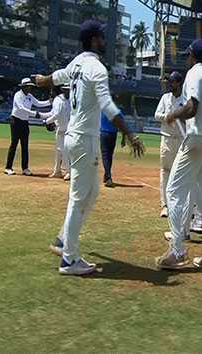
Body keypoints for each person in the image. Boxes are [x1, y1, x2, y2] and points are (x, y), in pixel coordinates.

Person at [34, 19, 144, 276]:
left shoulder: (76, 64)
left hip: (77, 138)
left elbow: (57, 76)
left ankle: (64, 239)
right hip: (84, 140)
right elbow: (107, 105)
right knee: (78, 197)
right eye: (102, 37)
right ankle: (69, 260)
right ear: (94, 40)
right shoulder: (96, 67)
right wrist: (130, 134)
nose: (105, 41)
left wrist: (41, 80)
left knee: (91, 193)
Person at [155, 38, 202, 272]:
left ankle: (177, 250)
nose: (187, 59)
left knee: (173, 190)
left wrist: (174, 114)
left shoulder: (194, 73)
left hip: (197, 138)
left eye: (187, 55)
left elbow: (192, 107)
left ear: (193, 55)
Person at [4, 77, 51, 176]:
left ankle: (25, 168)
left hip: (25, 122)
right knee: (14, 144)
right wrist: (35, 114)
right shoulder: (18, 95)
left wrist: (50, 101)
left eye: (30, 87)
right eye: (28, 87)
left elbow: (38, 103)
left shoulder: (29, 96)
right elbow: (21, 108)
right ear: (23, 87)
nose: (29, 88)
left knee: (25, 145)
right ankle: (8, 167)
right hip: (16, 121)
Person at [154, 71, 185, 218]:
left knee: (181, 173)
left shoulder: (186, 100)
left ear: (178, 83)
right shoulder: (165, 98)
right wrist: (167, 117)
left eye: (171, 82)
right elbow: (156, 115)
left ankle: (182, 205)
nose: (169, 85)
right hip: (166, 139)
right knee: (165, 171)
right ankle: (165, 205)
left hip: (181, 141)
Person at [45, 85, 71, 180]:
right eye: (66, 90)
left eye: (69, 90)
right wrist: (44, 118)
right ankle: (57, 171)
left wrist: (47, 121)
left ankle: (68, 171)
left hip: (69, 129)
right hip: (61, 128)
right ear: (62, 90)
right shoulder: (58, 100)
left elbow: (56, 114)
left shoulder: (72, 100)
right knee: (59, 151)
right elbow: (54, 114)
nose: (68, 92)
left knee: (65, 151)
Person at [100, 109, 125, 187]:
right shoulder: (117, 111)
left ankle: (108, 178)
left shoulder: (102, 110)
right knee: (109, 156)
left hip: (104, 133)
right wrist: (123, 139)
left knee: (105, 156)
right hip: (113, 134)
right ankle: (106, 175)